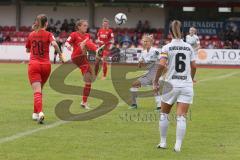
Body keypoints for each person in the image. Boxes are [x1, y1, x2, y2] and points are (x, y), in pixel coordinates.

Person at [153, 20, 197, 152]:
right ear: (183, 32)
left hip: (171, 85)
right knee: (181, 116)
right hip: (186, 85)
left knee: (164, 114)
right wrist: (191, 78)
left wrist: (155, 81)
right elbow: (194, 66)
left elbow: (161, 65)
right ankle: (177, 146)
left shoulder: (166, 47)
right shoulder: (189, 47)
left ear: (170, 33)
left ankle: (163, 142)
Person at [26, 14, 65, 124]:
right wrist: (61, 56)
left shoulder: (31, 34)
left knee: (37, 91)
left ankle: (40, 112)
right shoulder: (49, 34)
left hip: (34, 65)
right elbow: (55, 45)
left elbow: (28, 50)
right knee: (39, 90)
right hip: (46, 66)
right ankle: (35, 113)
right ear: (46, 23)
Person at [65, 19, 104, 109]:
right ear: (79, 27)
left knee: (88, 81)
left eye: (87, 25)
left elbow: (88, 48)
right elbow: (67, 42)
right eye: (84, 25)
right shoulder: (74, 34)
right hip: (76, 56)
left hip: (83, 59)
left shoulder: (87, 35)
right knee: (85, 42)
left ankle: (84, 102)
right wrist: (68, 46)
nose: (86, 27)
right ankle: (97, 50)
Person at [129, 35, 163, 110]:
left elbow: (162, 61)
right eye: (143, 41)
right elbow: (139, 66)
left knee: (155, 86)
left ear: (151, 42)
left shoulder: (155, 51)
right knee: (134, 84)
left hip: (156, 72)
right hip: (149, 74)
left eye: (146, 41)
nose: (144, 43)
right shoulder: (143, 52)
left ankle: (159, 106)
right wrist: (140, 63)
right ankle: (134, 104)